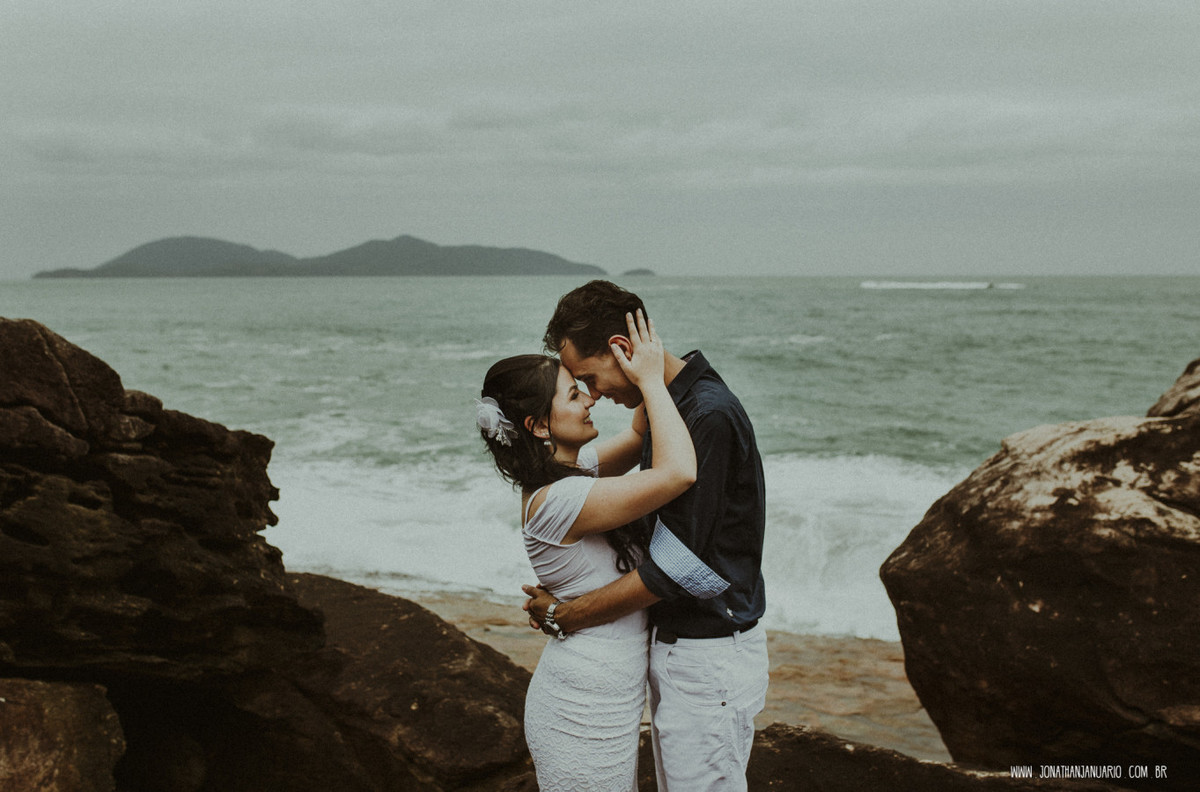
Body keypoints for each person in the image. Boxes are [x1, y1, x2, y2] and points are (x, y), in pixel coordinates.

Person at [523, 280, 768, 792]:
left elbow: (677, 569)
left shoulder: (705, 415)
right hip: (685, 650)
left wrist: (568, 614)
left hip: (708, 654)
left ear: (622, 348)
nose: (593, 394)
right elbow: (604, 466)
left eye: (589, 378)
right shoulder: (671, 406)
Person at [477, 310, 696, 791]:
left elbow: (639, 436)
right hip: (580, 706)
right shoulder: (560, 499)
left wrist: (642, 363)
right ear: (539, 426)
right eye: (575, 394)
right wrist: (652, 383)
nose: (591, 398)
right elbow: (678, 472)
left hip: (606, 692)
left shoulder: (571, 472)